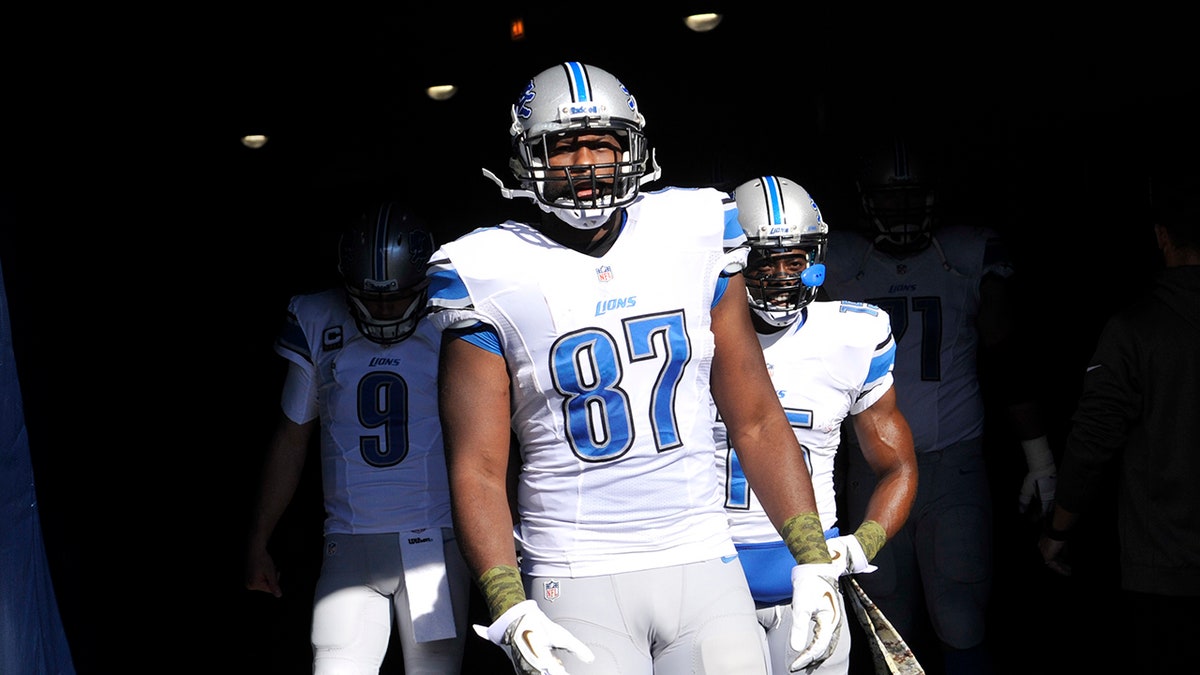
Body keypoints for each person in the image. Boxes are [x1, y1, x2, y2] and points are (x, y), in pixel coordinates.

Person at [425, 61, 844, 675]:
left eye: (604, 142)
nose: (589, 163)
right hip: (574, 572)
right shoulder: (483, 269)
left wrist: (810, 557)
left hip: (704, 559)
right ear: (526, 156)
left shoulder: (697, 228)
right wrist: (508, 603)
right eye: (564, 147)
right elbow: (479, 467)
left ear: (635, 145)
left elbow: (754, 415)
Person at [821, 137, 1057, 674]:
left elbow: (1006, 353)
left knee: (960, 615)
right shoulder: (842, 263)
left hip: (953, 464)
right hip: (873, 468)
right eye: (889, 199)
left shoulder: (963, 256)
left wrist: (1038, 455)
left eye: (911, 199)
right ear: (863, 200)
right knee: (886, 623)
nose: (901, 213)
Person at [243, 201, 470, 675]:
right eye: (372, 297)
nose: (384, 308)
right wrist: (258, 538)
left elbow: (487, 436)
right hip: (347, 543)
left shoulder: (454, 314)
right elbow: (292, 437)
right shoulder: (317, 316)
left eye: (397, 296)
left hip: (436, 544)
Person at [715, 175, 919, 675]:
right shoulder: (689, 337)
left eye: (797, 258)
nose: (785, 275)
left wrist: (860, 544)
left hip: (810, 579)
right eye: (767, 260)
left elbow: (899, 466)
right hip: (709, 593)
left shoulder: (851, 334)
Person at [1038, 170, 1200, 674]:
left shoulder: (1135, 330)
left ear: (1161, 237)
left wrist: (1058, 527)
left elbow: (1093, 441)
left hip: (1166, 571)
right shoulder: (1138, 329)